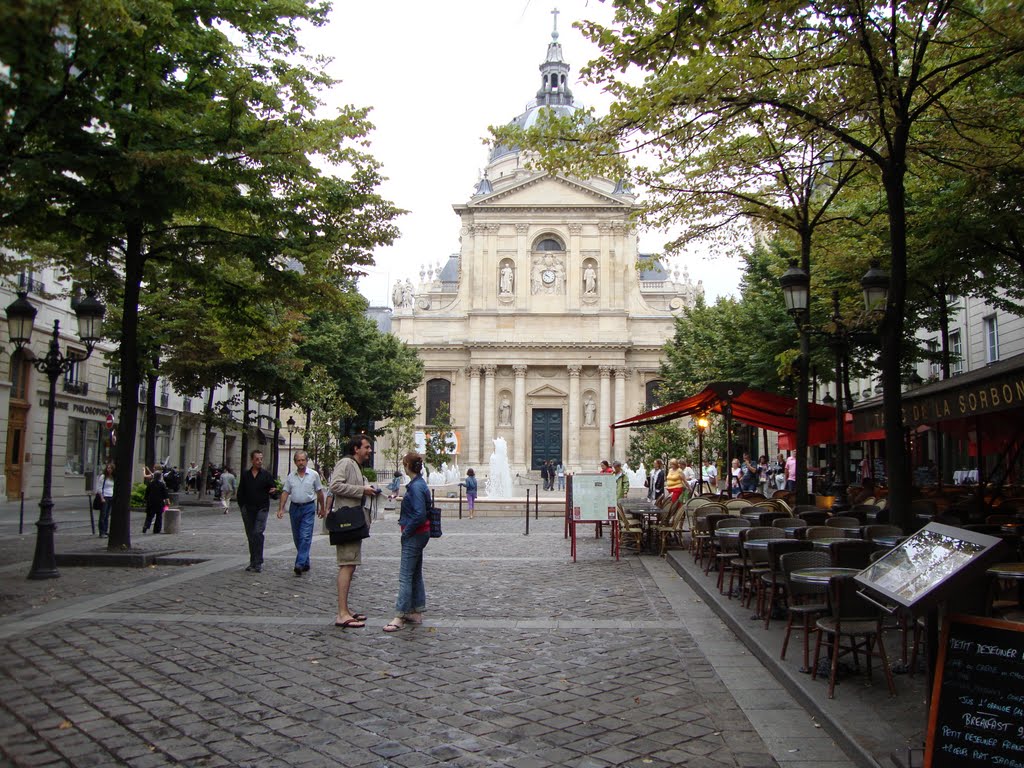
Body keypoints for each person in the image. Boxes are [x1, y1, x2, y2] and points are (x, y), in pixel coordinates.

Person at [327, 435, 379, 628]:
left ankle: (346, 610)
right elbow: (335, 486)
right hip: (346, 522)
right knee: (346, 565)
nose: (369, 451)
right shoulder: (346, 463)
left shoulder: (356, 466)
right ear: (356, 448)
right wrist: (361, 490)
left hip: (354, 522)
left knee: (351, 565)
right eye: (366, 447)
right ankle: (342, 613)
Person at [384, 452, 431, 633]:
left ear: (406, 466)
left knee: (405, 575)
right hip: (420, 533)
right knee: (415, 573)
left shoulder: (417, 487)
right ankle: (416, 611)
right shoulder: (418, 484)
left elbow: (419, 514)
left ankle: (400, 615)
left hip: (415, 534)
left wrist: (407, 532)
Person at [277, 450, 326, 576]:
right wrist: (281, 508)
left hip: (308, 507)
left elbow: (319, 492)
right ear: (295, 462)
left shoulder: (313, 475)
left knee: (305, 536)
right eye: (298, 460)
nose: (301, 462)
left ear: (307, 461)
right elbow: (285, 492)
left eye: (303, 460)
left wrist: (322, 507)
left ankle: (299, 563)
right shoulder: (291, 476)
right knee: (297, 537)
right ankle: (305, 561)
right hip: (295, 508)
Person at [236, 450, 278, 573]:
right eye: (257, 459)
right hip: (248, 509)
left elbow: (274, 492)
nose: (260, 461)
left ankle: (258, 562)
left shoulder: (266, 475)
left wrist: (274, 491)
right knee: (250, 535)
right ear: (252, 460)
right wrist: (242, 506)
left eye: (261, 459)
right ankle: (252, 561)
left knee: (257, 533)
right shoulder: (245, 475)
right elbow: (240, 491)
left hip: (262, 508)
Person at [95, 462, 115, 537]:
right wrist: (102, 497)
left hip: (111, 496)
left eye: (110, 468)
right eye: (108, 468)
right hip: (105, 496)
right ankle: (101, 531)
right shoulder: (103, 476)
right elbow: (99, 488)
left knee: (107, 515)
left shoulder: (112, 477)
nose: (109, 469)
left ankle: (105, 530)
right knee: (103, 515)